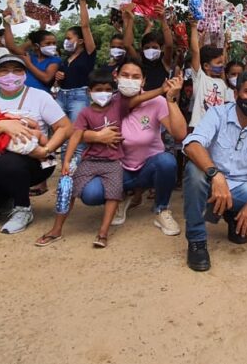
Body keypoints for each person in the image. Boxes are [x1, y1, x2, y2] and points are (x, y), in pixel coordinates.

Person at [35, 66, 165, 248]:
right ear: (89, 92)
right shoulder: (85, 113)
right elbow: (75, 136)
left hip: (113, 162)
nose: (103, 94)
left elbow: (140, 98)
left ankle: (103, 232)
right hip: (90, 161)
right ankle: (56, 229)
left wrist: (161, 90)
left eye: (107, 90)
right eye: (98, 90)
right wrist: (66, 161)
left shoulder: (119, 106)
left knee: (113, 195)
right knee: (69, 190)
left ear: (113, 91)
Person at [181, 70, 247, 272]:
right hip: (211, 181)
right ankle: (196, 240)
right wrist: (216, 175)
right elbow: (192, 144)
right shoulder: (217, 114)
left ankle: (235, 217)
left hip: (241, 186)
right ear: (236, 93)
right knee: (194, 171)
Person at [0, 54, 72, 233]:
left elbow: (65, 127)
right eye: (4, 70)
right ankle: (9, 194)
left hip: (37, 162)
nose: (11, 75)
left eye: (17, 70)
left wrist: (46, 149)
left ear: (25, 74)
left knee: (9, 163)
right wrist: (3, 125)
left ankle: (23, 209)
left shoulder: (40, 96)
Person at [76, 62, 187, 236]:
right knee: (90, 194)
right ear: (116, 77)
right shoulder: (106, 102)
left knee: (167, 161)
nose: (130, 80)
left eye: (136, 77)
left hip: (149, 167)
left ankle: (161, 209)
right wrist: (97, 136)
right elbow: (77, 132)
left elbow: (180, 134)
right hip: (116, 169)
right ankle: (121, 195)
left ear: (143, 81)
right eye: (125, 75)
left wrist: (171, 99)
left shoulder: (157, 102)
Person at [54, 0, 99, 163]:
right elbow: (58, 81)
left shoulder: (88, 54)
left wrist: (82, 0)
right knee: (64, 138)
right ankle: (66, 175)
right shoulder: (66, 60)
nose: (65, 41)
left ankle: (78, 174)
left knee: (77, 138)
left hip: (79, 97)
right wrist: (58, 77)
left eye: (68, 38)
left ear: (80, 41)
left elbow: (85, 26)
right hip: (61, 96)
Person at [124, 4, 175, 91]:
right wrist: (130, 20)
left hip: (161, 103)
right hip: (142, 102)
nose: (151, 49)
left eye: (155, 47)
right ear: (142, 49)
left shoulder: (164, 61)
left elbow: (169, 45)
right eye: (147, 48)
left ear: (161, 48)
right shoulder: (139, 61)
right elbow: (127, 45)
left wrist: (163, 20)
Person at [187, 21, 229, 127]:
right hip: (199, 127)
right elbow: (196, 51)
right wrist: (193, 27)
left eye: (222, 63)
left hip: (218, 129)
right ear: (206, 66)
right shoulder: (200, 78)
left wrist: (225, 45)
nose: (221, 66)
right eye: (218, 63)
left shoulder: (222, 83)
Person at [2, 23, 60, 91]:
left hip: (40, 97)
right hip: (22, 94)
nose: (52, 46)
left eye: (54, 43)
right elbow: (12, 48)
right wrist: (7, 24)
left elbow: (46, 78)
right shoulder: (30, 56)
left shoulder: (55, 60)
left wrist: (29, 64)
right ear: (36, 46)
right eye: (48, 43)